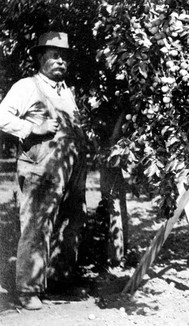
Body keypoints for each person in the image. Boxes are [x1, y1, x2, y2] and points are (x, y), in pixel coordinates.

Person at [0, 31, 88, 310]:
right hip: (40, 169)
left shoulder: (66, 91)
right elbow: (2, 116)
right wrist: (32, 129)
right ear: (40, 58)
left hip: (70, 168)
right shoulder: (26, 86)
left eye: (65, 57)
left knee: (69, 222)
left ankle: (59, 280)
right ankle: (27, 290)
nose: (61, 61)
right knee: (36, 227)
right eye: (55, 55)